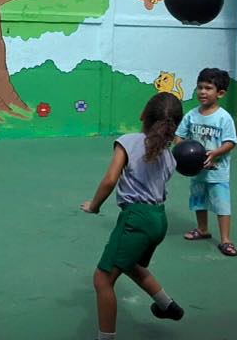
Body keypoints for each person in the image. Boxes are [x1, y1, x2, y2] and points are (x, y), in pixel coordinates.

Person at [81, 92, 186, 339]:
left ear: (142, 115)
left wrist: (94, 205)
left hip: (136, 219)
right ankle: (166, 305)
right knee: (130, 263)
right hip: (158, 219)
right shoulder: (169, 156)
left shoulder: (128, 142)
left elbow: (110, 179)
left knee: (102, 279)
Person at [176, 68, 237, 256]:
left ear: (220, 93)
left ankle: (226, 240)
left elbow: (230, 142)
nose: (203, 92)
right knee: (198, 201)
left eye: (208, 88)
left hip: (217, 172)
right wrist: (182, 151)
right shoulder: (191, 115)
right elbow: (179, 136)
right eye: (200, 87)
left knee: (222, 205)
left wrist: (216, 153)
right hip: (197, 172)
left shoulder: (224, 118)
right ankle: (202, 229)